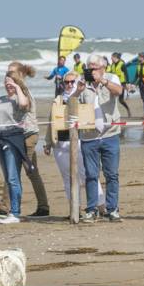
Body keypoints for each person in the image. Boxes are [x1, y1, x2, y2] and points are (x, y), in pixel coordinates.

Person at [0, 63, 50, 218]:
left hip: (28, 135)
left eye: (12, 72)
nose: (9, 75)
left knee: (23, 171)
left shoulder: (24, 92)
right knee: (22, 171)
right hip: (14, 135)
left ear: (19, 74)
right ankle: (9, 206)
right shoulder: (11, 94)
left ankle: (14, 207)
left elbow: (22, 105)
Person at [44, 71, 105, 214]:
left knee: (88, 175)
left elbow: (92, 114)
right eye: (67, 82)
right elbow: (51, 122)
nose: (69, 84)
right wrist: (47, 142)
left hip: (79, 141)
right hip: (60, 143)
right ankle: (74, 209)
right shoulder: (58, 99)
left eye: (72, 81)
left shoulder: (85, 96)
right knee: (68, 178)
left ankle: (101, 206)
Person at [77, 54, 124, 222]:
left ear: (103, 67)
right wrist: (78, 91)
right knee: (91, 174)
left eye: (94, 67)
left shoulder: (112, 77)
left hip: (110, 133)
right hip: (89, 135)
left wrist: (102, 80)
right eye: (89, 67)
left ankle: (112, 209)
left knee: (111, 174)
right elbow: (71, 104)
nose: (91, 70)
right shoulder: (81, 81)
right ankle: (91, 209)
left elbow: (119, 91)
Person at [0, 70, 33, 224]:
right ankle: (13, 212)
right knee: (8, 177)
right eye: (6, 82)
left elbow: (23, 104)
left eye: (11, 82)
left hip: (13, 138)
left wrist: (17, 87)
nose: (8, 85)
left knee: (13, 177)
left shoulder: (20, 98)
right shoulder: (1, 99)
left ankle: (15, 212)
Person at [108, 52, 131, 117]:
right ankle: (113, 113)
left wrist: (128, 83)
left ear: (115, 57)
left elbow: (126, 74)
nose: (111, 59)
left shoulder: (122, 64)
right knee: (112, 99)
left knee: (121, 100)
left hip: (121, 84)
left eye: (112, 57)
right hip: (114, 84)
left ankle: (128, 109)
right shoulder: (112, 65)